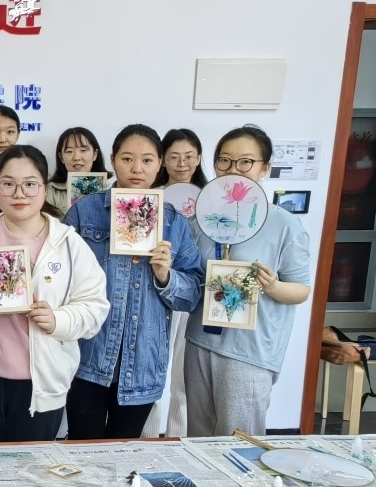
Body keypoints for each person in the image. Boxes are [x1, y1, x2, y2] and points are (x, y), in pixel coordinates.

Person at [0, 145, 110, 442]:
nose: (19, 193)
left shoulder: (69, 244)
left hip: (42, 385)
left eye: (30, 184)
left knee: (31, 467)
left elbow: (95, 306)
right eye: (8, 184)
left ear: (44, 188)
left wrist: (58, 320)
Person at [62, 124, 204, 439]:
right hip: (88, 356)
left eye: (147, 160)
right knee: (82, 448)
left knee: (123, 451)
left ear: (160, 163)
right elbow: (57, 274)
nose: (137, 168)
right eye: (127, 159)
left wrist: (166, 276)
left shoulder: (174, 222)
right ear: (113, 160)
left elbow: (192, 295)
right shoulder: (85, 211)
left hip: (142, 364)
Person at [185, 125, 311, 437]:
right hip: (200, 340)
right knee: (199, 437)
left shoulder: (284, 223)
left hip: (248, 351)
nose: (233, 170)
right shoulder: (202, 219)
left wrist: (273, 286)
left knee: (238, 441)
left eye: (245, 162)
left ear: (264, 167)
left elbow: (301, 290)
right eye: (224, 160)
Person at [151, 127, 208, 437]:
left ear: (199, 158)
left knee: (184, 374)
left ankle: (178, 437)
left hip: (196, 291)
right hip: (159, 290)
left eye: (188, 156)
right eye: (174, 157)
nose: (182, 163)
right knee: (152, 368)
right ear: (163, 160)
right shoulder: (151, 198)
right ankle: (146, 436)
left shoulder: (215, 199)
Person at [47, 127, 112, 215]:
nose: (77, 157)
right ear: (61, 157)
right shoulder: (51, 192)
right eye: (69, 151)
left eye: (83, 150)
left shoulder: (110, 189)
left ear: (94, 154)